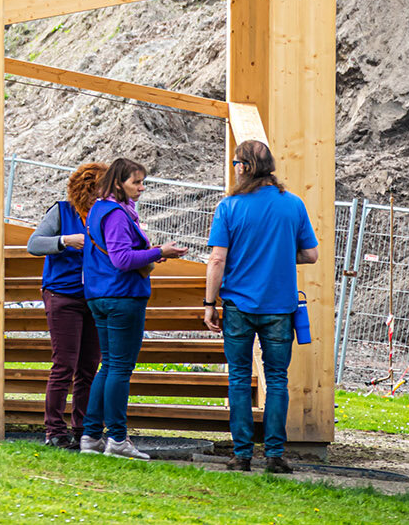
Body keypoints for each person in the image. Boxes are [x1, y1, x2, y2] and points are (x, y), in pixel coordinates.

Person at [204, 140, 318, 475]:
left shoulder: (230, 207)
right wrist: (280, 254)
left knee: (239, 377)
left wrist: (210, 303)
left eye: (236, 162)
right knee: (278, 378)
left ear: (245, 167)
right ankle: (274, 455)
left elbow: (217, 259)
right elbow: (311, 255)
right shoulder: (293, 205)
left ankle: (241, 456)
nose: (234, 168)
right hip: (280, 307)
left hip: (238, 304)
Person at [80, 158, 188, 461]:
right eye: (135, 183)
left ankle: (90, 436)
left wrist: (150, 255)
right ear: (119, 183)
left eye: (143, 183)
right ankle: (116, 437)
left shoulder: (98, 209)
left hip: (100, 295)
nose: (141, 189)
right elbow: (123, 260)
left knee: (109, 365)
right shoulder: (116, 213)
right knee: (120, 368)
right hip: (122, 297)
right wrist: (159, 252)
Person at [26, 161, 107, 450]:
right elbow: (34, 244)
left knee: (89, 367)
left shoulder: (108, 215)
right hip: (63, 295)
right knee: (64, 365)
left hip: (96, 297)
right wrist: (65, 241)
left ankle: (83, 429)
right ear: (88, 188)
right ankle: (54, 430)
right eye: (102, 187)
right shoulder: (61, 211)